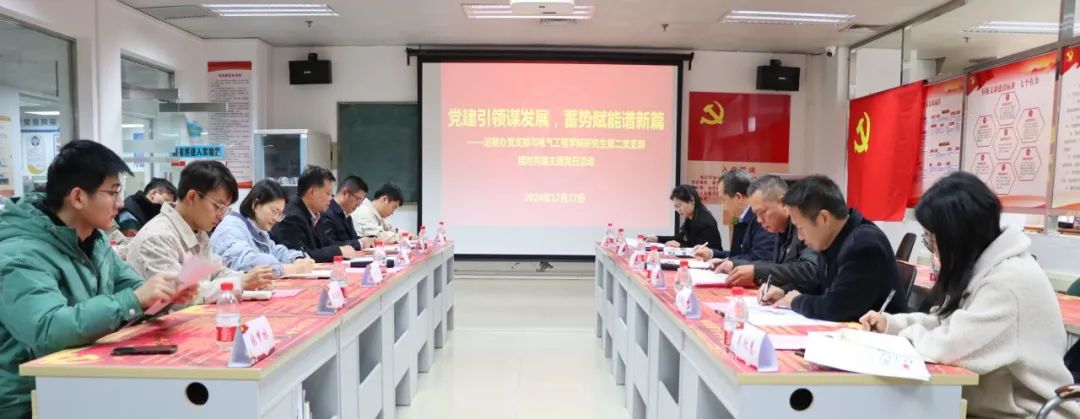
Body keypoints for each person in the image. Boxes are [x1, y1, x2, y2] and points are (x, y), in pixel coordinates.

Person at [0, 140, 195, 419]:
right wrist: (135, 299)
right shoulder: (19, 253)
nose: (120, 203)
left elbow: (132, 289)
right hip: (29, 400)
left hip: (80, 382)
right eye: (113, 192)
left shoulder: (94, 240)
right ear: (78, 197)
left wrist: (164, 296)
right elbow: (47, 330)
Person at [859, 172, 1079, 419]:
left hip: (1029, 413)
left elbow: (948, 346)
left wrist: (902, 337)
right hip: (992, 408)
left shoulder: (1007, 282)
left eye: (933, 239)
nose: (932, 248)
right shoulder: (984, 268)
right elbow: (945, 321)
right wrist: (891, 325)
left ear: (957, 237)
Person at [759, 175, 907, 321]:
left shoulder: (863, 244)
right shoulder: (835, 238)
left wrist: (796, 301)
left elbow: (837, 307)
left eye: (800, 227)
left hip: (880, 335)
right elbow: (817, 284)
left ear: (823, 218)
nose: (800, 237)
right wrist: (784, 291)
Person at [127, 160, 273, 305]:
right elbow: (182, 295)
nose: (221, 215)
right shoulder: (157, 237)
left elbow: (216, 272)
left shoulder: (198, 231)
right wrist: (240, 282)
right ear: (192, 197)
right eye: (218, 206)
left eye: (225, 209)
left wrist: (248, 279)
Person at [712, 175, 820, 288]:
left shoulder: (804, 225)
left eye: (762, 212)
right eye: (756, 214)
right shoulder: (780, 229)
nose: (759, 220)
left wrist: (757, 272)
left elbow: (809, 269)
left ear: (783, 203)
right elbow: (776, 266)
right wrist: (735, 264)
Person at [211, 179, 316, 278]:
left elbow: (275, 251)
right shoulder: (231, 227)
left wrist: (296, 259)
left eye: (280, 214)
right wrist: (291, 269)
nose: (276, 218)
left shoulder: (260, 231)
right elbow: (246, 262)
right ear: (255, 204)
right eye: (274, 211)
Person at [272, 166, 358, 262]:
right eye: (328, 193)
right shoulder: (292, 217)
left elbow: (326, 245)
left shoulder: (316, 214)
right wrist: (338, 251)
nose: (331, 198)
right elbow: (301, 256)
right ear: (312, 192)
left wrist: (344, 248)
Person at [694, 169, 776, 262]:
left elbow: (760, 258)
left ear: (738, 197)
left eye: (724, 200)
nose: (723, 206)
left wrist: (729, 263)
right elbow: (736, 255)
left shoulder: (761, 219)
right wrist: (711, 253)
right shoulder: (740, 218)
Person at [646, 185, 723, 249]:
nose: (678, 210)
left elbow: (701, 250)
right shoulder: (691, 218)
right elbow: (679, 238)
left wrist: (680, 246)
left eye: (679, 205)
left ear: (691, 200)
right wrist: (657, 238)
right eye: (676, 207)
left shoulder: (704, 222)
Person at [319, 175, 373, 250]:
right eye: (358, 199)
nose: (359, 205)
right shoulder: (327, 212)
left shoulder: (347, 215)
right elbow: (329, 245)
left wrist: (367, 240)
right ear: (344, 193)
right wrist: (360, 243)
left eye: (361, 201)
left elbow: (351, 239)